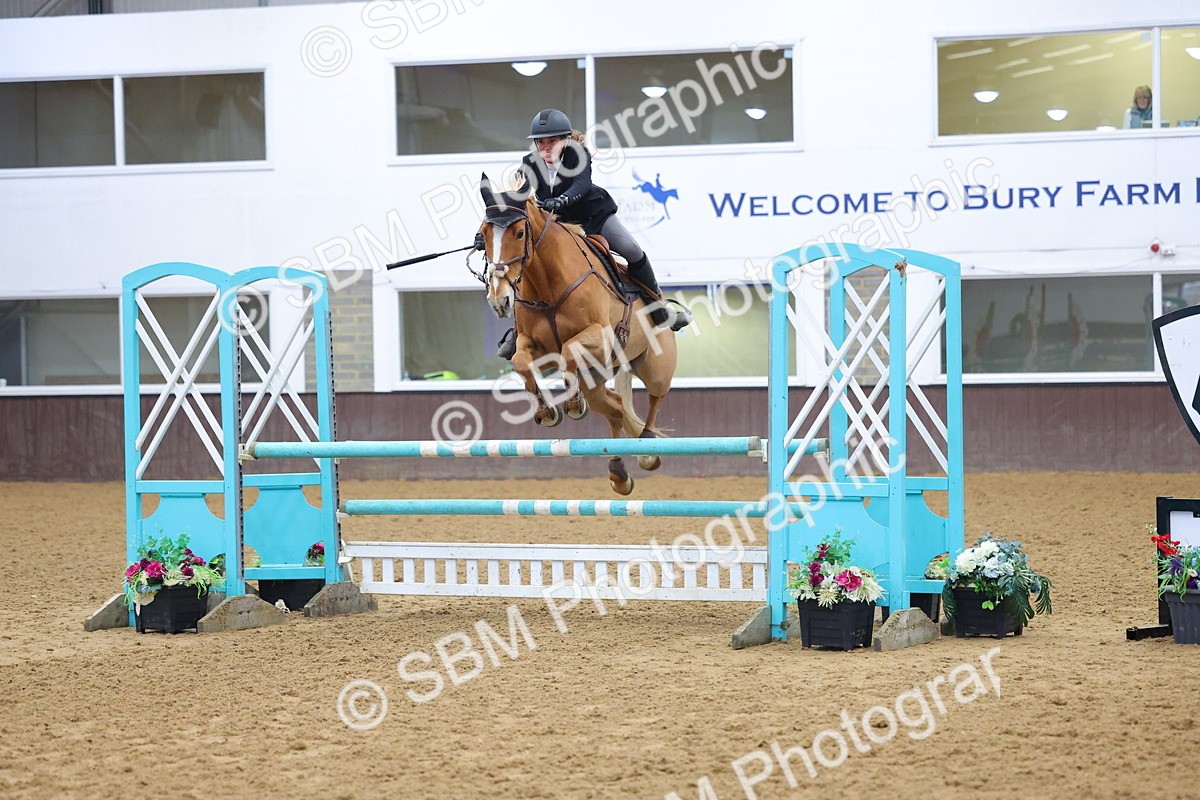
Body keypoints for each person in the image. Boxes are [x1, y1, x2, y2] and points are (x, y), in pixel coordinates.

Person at [494, 108, 691, 359]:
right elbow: (515, 196)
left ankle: (658, 307)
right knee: (527, 265)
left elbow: (582, 184)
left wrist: (562, 200)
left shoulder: (578, 155)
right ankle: (517, 330)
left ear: (565, 140)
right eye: (540, 142)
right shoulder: (530, 163)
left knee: (632, 250)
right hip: (559, 226)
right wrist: (499, 225)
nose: (545, 148)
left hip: (593, 218)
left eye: (552, 141)